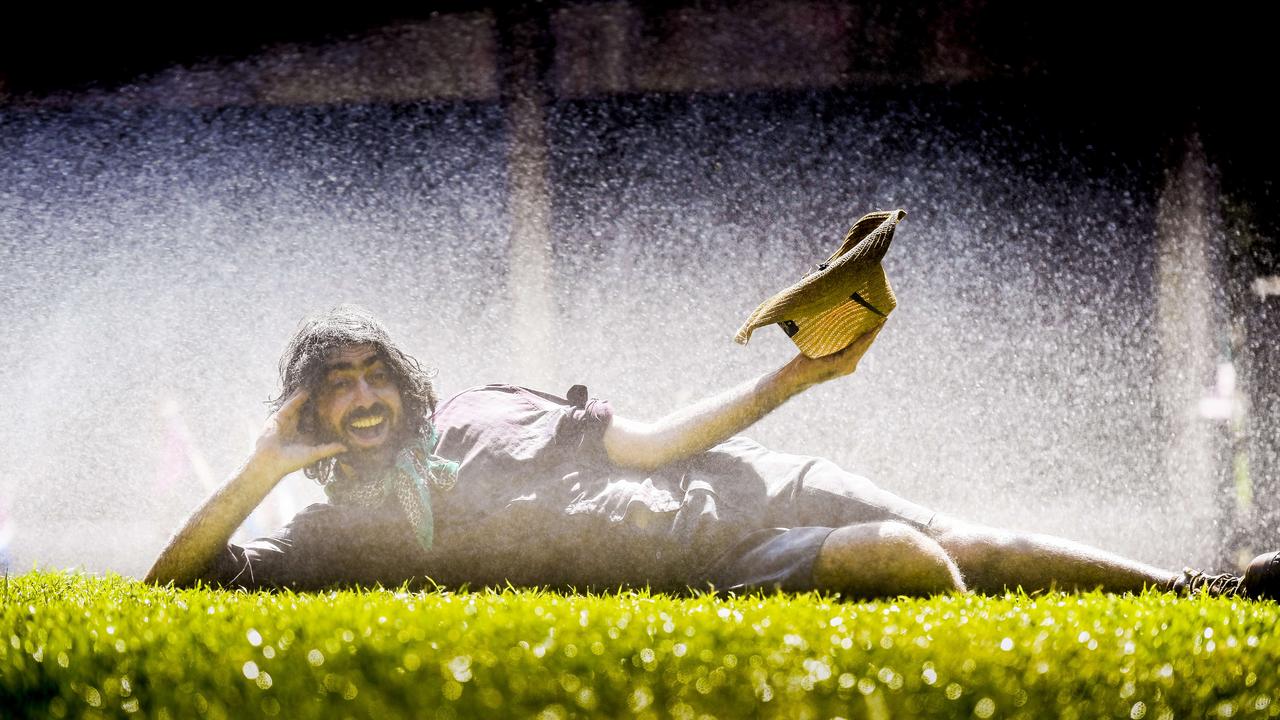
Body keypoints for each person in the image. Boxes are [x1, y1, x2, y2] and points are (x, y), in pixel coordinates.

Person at [145, 305, 1280, 600]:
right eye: (332, 385)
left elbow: (649, 439)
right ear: (306, 413)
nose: (358, 395)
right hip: (708, 556)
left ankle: (1209, 590)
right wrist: (259, 468)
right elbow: (169, 591)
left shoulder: (486, 411)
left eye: (371, 374)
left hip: (740, 484)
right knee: (897, 558)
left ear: (405, 385)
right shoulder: (335, 531)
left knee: (965, 536)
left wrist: (797, 374)